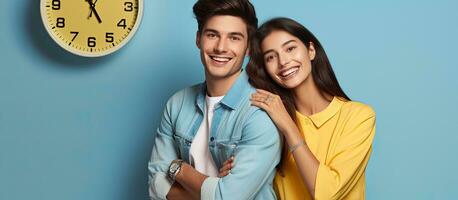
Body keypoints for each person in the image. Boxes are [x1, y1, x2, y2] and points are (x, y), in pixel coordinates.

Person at [147, 1, 282, 200]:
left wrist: (179, 169)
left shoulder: (259, 112)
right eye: (212, 35)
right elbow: (155, 187)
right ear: (198, 39)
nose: (220, 47)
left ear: (248, 48)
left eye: (234, 38)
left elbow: (227, 197)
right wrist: (213, 188)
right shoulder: (176, 104)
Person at [246, 17, 376, 199]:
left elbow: (327, 194)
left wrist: (289, 127)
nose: (283, 61)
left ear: (311, 50)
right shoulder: (269, 120)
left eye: (290, 48)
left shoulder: (359, 116)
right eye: (270, 57)